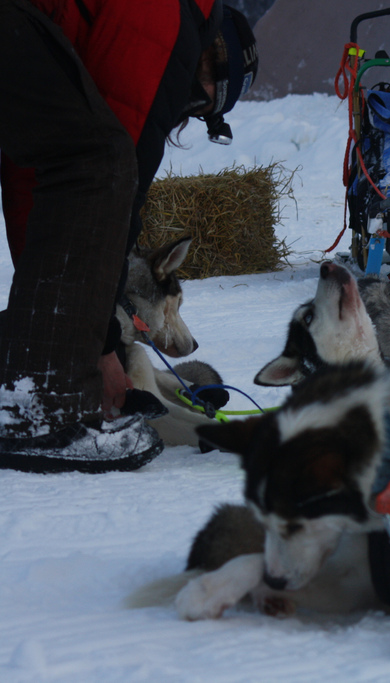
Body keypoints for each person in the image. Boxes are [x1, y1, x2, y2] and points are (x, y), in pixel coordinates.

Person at [0, 0, 258, 473]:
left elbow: (33, 185)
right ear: (211, 63)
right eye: (205, 101)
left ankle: (29, 396)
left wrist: (45, 294)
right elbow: (117, 188)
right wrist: (96, 345)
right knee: (101, 160)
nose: (193, 109)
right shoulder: (166, 24)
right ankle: (44, 414)